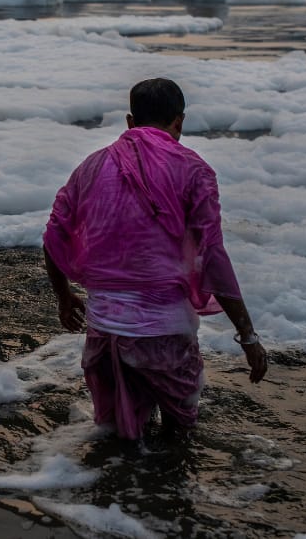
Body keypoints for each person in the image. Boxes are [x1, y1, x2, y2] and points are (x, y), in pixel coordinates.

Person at [42, 78, 267, 442]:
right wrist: (247, 334)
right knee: (179, 441)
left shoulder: (91, 166)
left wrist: (63, 297)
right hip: (165, 337)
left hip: (104, 333)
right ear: (179, 122)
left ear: (130, 121)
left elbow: (53, 235)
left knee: (119, 442)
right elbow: (212, 255)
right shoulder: (194, 170)